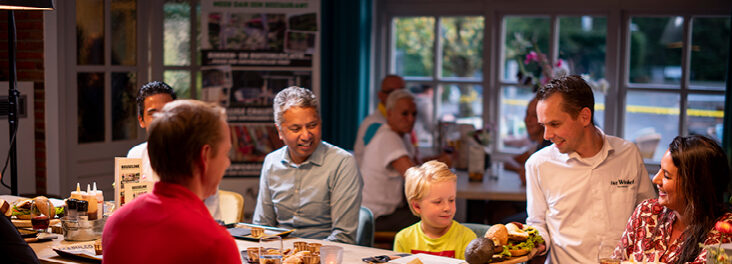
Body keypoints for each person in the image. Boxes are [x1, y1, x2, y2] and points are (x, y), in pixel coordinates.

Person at [525, 75, 655, 263]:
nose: (547, 135)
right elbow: (537, 224)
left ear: (584, 116)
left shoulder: (628, 154)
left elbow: (649, 214)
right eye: (543, 125)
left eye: (554, 124)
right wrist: (535, 242)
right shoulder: (538, 164)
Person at [103, 100, 239, 264]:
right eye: (225, 153)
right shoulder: (215, 243)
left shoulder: (117, 223)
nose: (227, 163)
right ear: (205, 157)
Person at [253, 86, 363, 244]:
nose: (306, 136)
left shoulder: (342, 162)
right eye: (295, 128)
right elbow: (262, 227)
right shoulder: (271, 162)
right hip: (279, 254)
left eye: (312, 126)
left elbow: (343, 237)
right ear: (280, 131)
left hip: (325, 256)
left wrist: (301, 256)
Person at [614, 135, 732, 263]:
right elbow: (616, 260)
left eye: (666, 176)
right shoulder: (647, 211)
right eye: (660, 170)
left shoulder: (725, 229)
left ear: (695, 185)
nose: (655, 180)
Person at [126, 81, 222, 221]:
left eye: (167, 112)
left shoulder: (197, 158)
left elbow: (209, 221)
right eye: (153, 114)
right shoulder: (135, 155)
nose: (161, 119)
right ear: (141, 120)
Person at [361, 89, 420, 231]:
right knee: (436, 220)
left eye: (414, 114)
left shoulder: (399, 136)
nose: (411, 119)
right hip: (377, 215)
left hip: (380, 211)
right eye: (405, 114)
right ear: (389, 114)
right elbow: (415, 178)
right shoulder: (388, 137)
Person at [394, 161, 476, 259]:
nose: (447, 208)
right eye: (438, 202)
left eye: (451, 200)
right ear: (417, 206)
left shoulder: (467, 238)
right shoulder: (403, 239)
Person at [353, 75, 406, 165]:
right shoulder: (376, 125)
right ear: (380, 95)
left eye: (402, 91)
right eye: (391, 92)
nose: (397, 96)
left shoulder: (404, 123)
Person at [504, 96, 552, 185]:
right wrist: (521, 170)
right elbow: (508, 161)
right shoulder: (537, 147)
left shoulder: (552, 150)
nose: (527, 120)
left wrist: (528, 173)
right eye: (527, 114)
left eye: (534, 115)